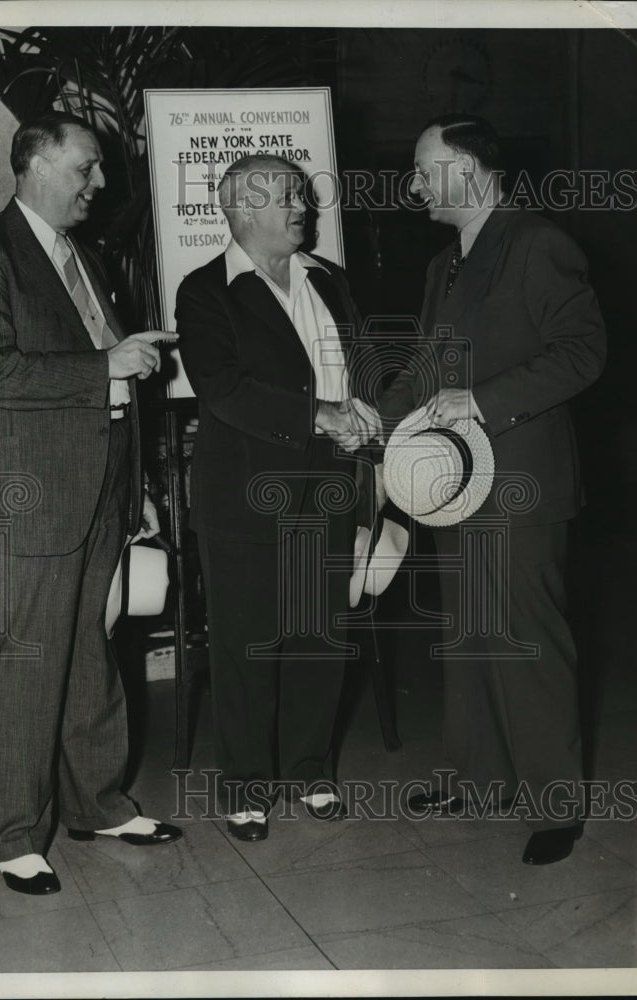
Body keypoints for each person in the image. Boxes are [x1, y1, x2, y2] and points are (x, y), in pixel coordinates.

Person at [0, 111, 182, 896]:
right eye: (86, 167)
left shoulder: (87, 255)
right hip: (27, 495)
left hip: (101, 489)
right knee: (25, 664)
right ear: (36, 165)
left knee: (90, 654)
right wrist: (103, 362)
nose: (100, 183)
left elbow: (113, 385)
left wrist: (135, 485)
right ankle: (15, 836)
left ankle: (99, 804)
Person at [378, 115, 606, 865]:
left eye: (423, 167)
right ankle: (476, 778)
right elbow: (424, 370)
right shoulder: (444, 264)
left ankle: (555, 802)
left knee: (529, 642)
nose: (413, 184)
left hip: (520, 482)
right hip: (458, 480)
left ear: (469, 168)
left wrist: (482, 400)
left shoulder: (537, 244)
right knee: (471, 633)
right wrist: (371, 418)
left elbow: (582, 353)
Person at [175, 154, 379, 842]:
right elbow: (223, 388)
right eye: (285, 196)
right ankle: (246, 786)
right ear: (239, 209)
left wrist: (364, 424)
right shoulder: (206, 290)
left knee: (320, 635)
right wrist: (321, 414)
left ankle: (310, 769)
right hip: (244, 497)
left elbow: (362, 368)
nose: (302, 206)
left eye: (299, 193)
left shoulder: (329, 280)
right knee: (248, 643)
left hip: (328, 485)